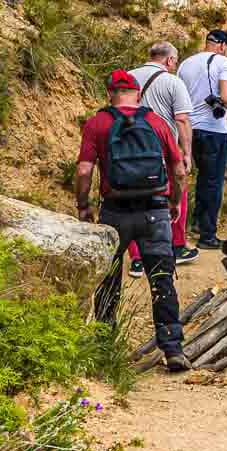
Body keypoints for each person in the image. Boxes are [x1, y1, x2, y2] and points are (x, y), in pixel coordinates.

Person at [75, 69, 190, 371]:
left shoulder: (98, 123)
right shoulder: (157, 123)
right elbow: (179, 171)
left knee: (109, 281)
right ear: (138, 93)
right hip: (155, 210)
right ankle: (172, 349)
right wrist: (175, 202)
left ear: (110, 93)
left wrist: (83, 206)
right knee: (162, 280)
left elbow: (84, 171)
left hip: (114, 211)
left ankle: (104, 348)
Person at [126, 41, 198, 278]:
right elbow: (182, 120)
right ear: (169, 60)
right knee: (176, 193)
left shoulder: (128, 77)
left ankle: (137, 259)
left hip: (130, 147)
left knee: (135, 199)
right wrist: (187, 153)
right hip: (162, 149)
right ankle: (176, 246)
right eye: (175, 61)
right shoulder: (173, 82)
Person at [179, 29, 227, 250]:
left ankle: (192, 224)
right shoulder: (223, 63)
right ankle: (207, 235)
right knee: (212, 181)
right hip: (214, 130)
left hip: (188, 129)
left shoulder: (185, 64)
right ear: (222, 45)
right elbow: (226, 97)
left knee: (192, 177)